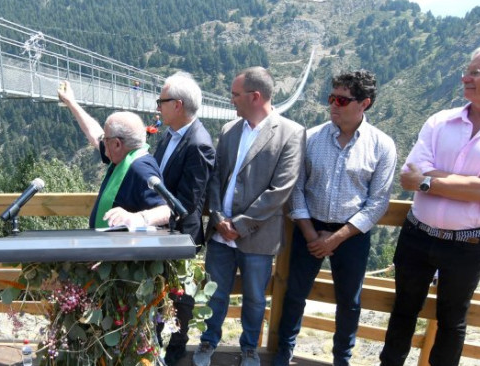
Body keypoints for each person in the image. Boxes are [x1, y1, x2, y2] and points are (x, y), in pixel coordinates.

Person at [380, 44, 480, 366]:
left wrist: (430, 181)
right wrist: (462, 183)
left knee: (452, 323)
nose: (464, 77)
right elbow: (409, 173)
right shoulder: (440, 120)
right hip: (417, 234)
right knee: (403, 311)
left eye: (474, 72)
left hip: (468, 244)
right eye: (468, 70)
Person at [273, 70, 397, 366]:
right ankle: (283, 351)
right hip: (309, 229)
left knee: (349, 302)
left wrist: (336, 238)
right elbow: (297, 189)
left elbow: (378, 202)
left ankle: (342, 358)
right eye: (331, 98)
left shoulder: (382, 145)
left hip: (351, 235)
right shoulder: (311, 137)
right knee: (294, 294)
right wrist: (311, 234)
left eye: (341, 100)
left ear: (364, 103)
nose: (333, 105)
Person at [192, 66, 305, 366]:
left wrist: (239, 226)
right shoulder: (229, 130)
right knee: (214, 294)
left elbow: (280, 190)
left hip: (257, 236)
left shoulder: (291, 133)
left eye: (235, 94)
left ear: (255, 97)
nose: (231, 100)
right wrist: (218, 218)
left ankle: (249, 349)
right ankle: (207, 341)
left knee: (255, 299)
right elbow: (216, 178)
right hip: (219, 232)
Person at [152, 72, 215, 365]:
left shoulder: (199, 144)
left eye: (160, 101)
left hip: (179, 237)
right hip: (158, 232)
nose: (157, 107)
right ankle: (153, 345)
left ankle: (176, 350)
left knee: (180, 300)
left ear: (177, 105)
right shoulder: (169, 135)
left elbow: (187, 202)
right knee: (156, 295)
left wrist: (146, 217)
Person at [57, 81, 170, 229]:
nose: (102, 141)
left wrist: (138, 218)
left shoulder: (140, 168)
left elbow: (167, 211)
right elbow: (94, 134)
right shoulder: (124, 155)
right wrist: (71, 103)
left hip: (125, 250)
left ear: (117, 144)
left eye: (106, 138)